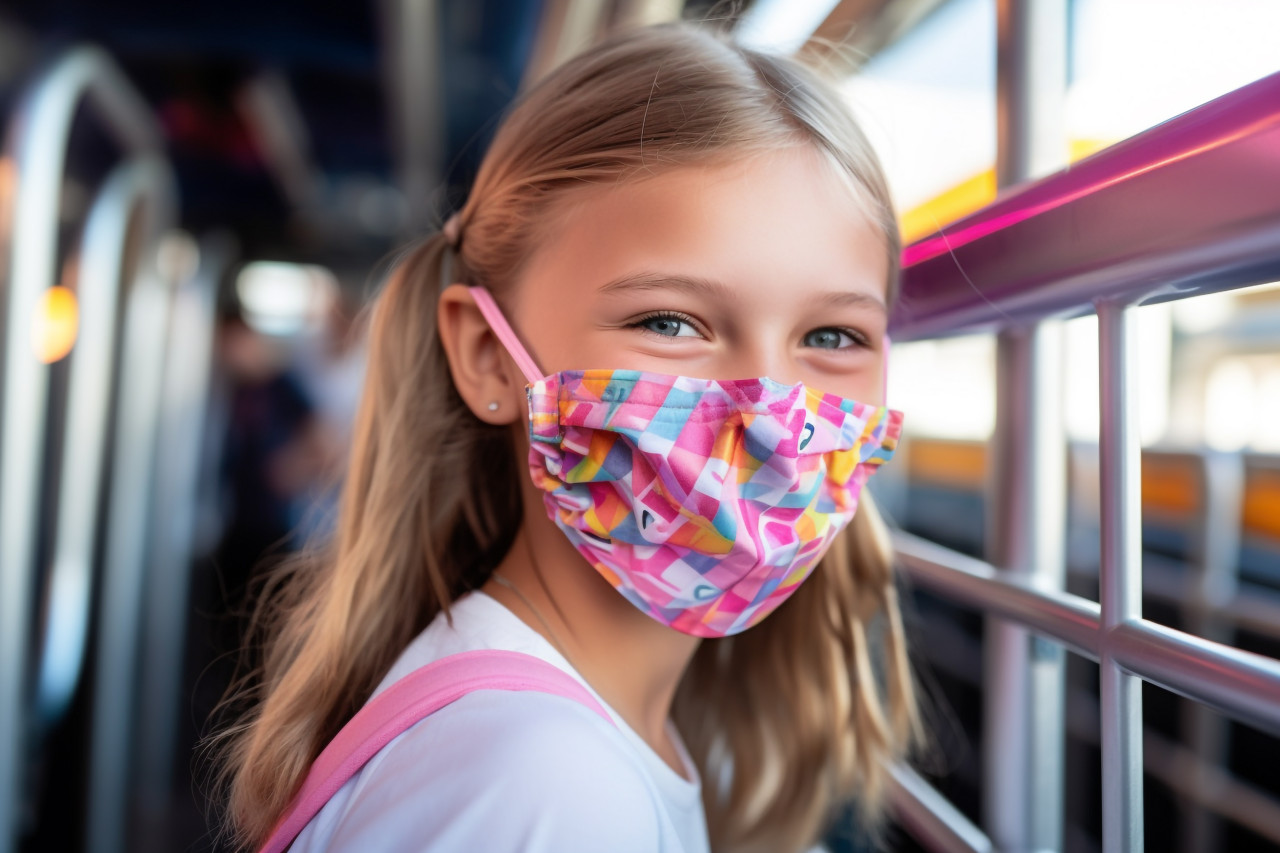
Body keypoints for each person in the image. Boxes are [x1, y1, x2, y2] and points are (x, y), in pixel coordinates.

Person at [215, 23, 919, 853]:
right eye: (670, 321)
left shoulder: (558, 742)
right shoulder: (550, 787)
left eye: (834, 337)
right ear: (487, 358)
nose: (771, 414)